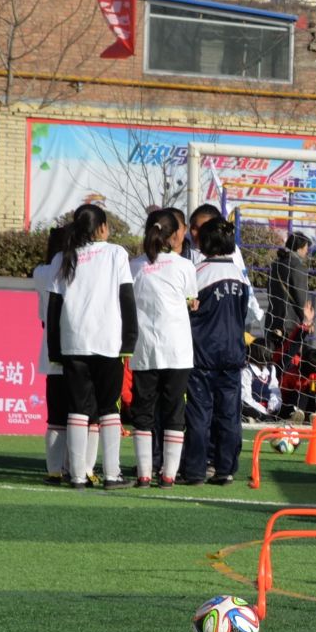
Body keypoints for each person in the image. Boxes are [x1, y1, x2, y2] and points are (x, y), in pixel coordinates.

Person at [49, 202, 136, 491]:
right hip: (108, 342)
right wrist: (129, 339)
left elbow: (54, 306)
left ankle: (76, 476)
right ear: (102, 228)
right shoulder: (116, 253)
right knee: (108, 409)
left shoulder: (66, 256)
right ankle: (112, 474)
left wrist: (54, 348)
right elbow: (126, 297)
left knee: (77, 409)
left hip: (74, 342)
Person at [129, 209, 199, 487]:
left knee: (143, 412)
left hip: (144, 348)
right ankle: (168, 474)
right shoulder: (184, 266)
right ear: (173, 236)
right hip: (177, 351)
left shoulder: (134, 265)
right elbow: (192, 300)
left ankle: (144, 473)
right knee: (173, 411)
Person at [183, 219, 251, 485]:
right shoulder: (240, 275)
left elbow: (187, 310)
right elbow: (242, 314)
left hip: (202, 354)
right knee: (229, 415)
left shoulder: (197, 272)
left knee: (200, 414)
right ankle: (226, 468)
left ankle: (196, 470)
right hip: (233, 354)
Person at [27, 225, 74, 482]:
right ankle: (76, 467)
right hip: (80, 350)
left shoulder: (42, 272)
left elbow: (41, 318)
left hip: (52, 351)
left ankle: (55, 469)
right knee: (79, 413)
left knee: (56, 414)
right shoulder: (74, 269)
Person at [262, 232, 314, 348]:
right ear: (299, 248)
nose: (307, 252)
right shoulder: (297, 266)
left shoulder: (275, 264)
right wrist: (308, 320)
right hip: (290, 322)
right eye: (306, 248)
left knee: (273, 356)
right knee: (289, 359)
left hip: (273, 318)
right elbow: (301, 297)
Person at [241, 336, 283, 424]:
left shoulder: (271, 369)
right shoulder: (247, 371)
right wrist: (263, 410)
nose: (272, 354)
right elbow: (246, 398)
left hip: (269, 408)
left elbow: (275, 391)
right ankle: (255, 419)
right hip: (255, 408)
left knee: (287, 407)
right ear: (261, 353)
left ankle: (291, 416)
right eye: (270, 352)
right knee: (243, 406)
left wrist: (272, 406)